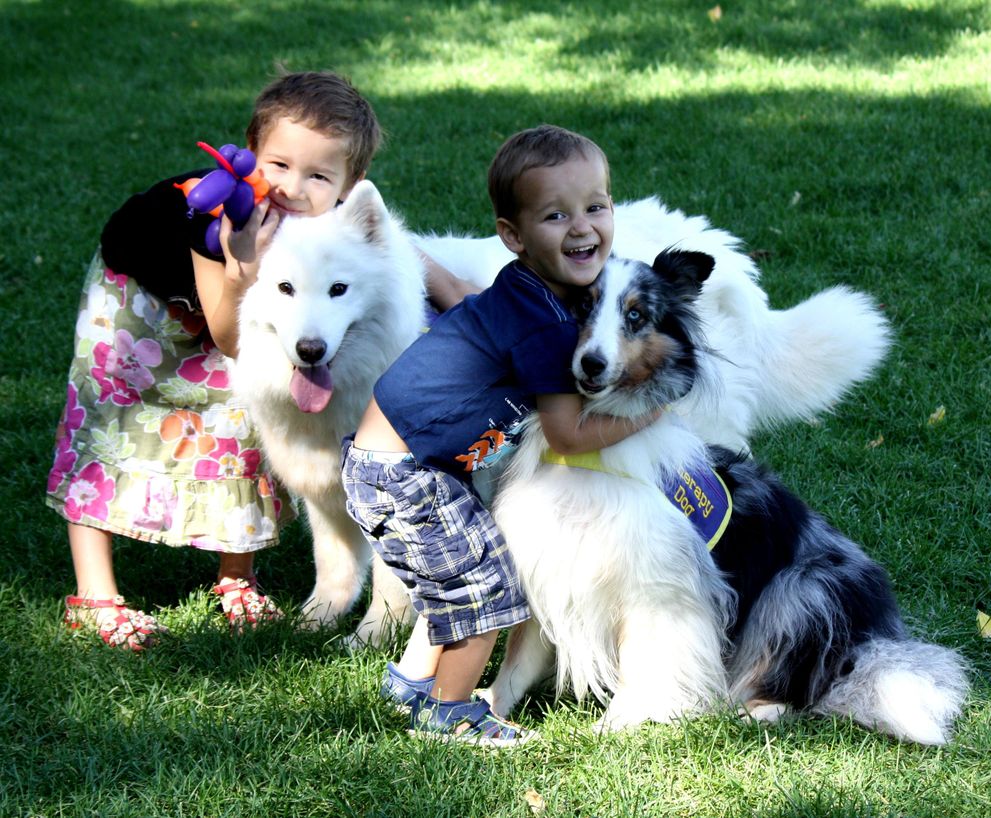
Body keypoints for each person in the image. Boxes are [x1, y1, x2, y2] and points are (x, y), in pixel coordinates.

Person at [48, 70, 467, 651]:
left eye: (317, 175)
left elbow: (395, 248)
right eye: (279, 166)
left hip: (230, 305)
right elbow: (228, 334)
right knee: (111, 427)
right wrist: (243, 267)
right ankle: (95, 594)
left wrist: (456, 294)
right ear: (248, 158)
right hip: (141, 302)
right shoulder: (219, 212)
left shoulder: (333, 218)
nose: (293, 189)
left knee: (234, 432)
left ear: (348, 184)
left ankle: (237, 579)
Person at [341, 124, 662, 746]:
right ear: (512, 235)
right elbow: (568, 435)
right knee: (484, 588)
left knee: (464, 572)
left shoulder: (528, 286)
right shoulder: (544, 322)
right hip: (405, 472)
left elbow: (466, 298)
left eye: (596, 207)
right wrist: (652, 412)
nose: (581, 227)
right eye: (555, 215)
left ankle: (413, 686)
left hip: (403, 460)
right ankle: (449, 711)